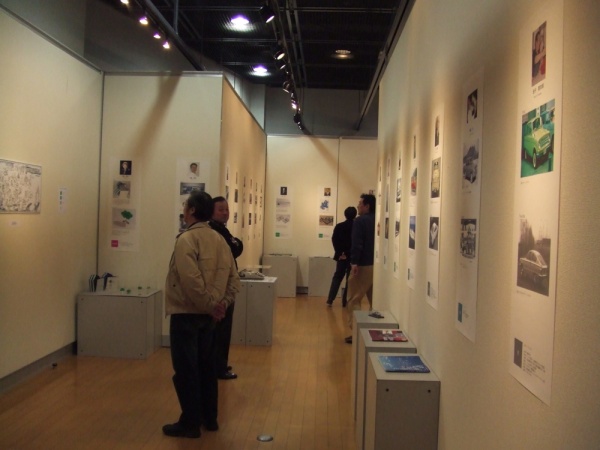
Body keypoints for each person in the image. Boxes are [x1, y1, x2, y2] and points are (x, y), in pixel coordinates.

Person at [162, 191, 240, 439]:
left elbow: (190, 280)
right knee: (207, 368)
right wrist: (220, 305)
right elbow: (233, 279)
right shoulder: (219, 239)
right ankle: (210, 418)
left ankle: (190, 422)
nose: (184, 210)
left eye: (186, 206)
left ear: (192, 210)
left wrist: (210, 305)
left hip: (187, 314)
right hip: (209, 317)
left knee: (186, 370)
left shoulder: (187, 239)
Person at [209, 196, 243, 380]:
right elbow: (235, 248)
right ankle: (218, 367)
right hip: (220, 287)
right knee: (220, 329)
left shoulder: (222, 229)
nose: (225, 213)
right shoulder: (214, 230)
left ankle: (220, 364)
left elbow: (236, 246)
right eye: (220, 209)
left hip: (226, 285)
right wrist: (236, 243)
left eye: (226, 209)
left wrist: (237, 243)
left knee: (223, 329)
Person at [344, 194, 376, 344]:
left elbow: (357, 243)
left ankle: (357, 332)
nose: (358, 206)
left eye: (360, 203)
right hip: (376, 266)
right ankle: (374, 330)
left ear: (367, 206)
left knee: (354, 299)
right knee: (374, 300)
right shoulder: (378, 219)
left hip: (362, 265)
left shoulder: (360, 221)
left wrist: (354, 262)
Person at [326, 206, 357, 307]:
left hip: (342, 257)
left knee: (337, 277)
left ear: (345, 215)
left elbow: (334, 240)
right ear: (355, 215)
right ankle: (345, 301)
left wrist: (340, 253)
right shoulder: (356, 226)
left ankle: (330, 300)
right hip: (352, 257)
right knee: (349, 280)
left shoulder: (339, 226)